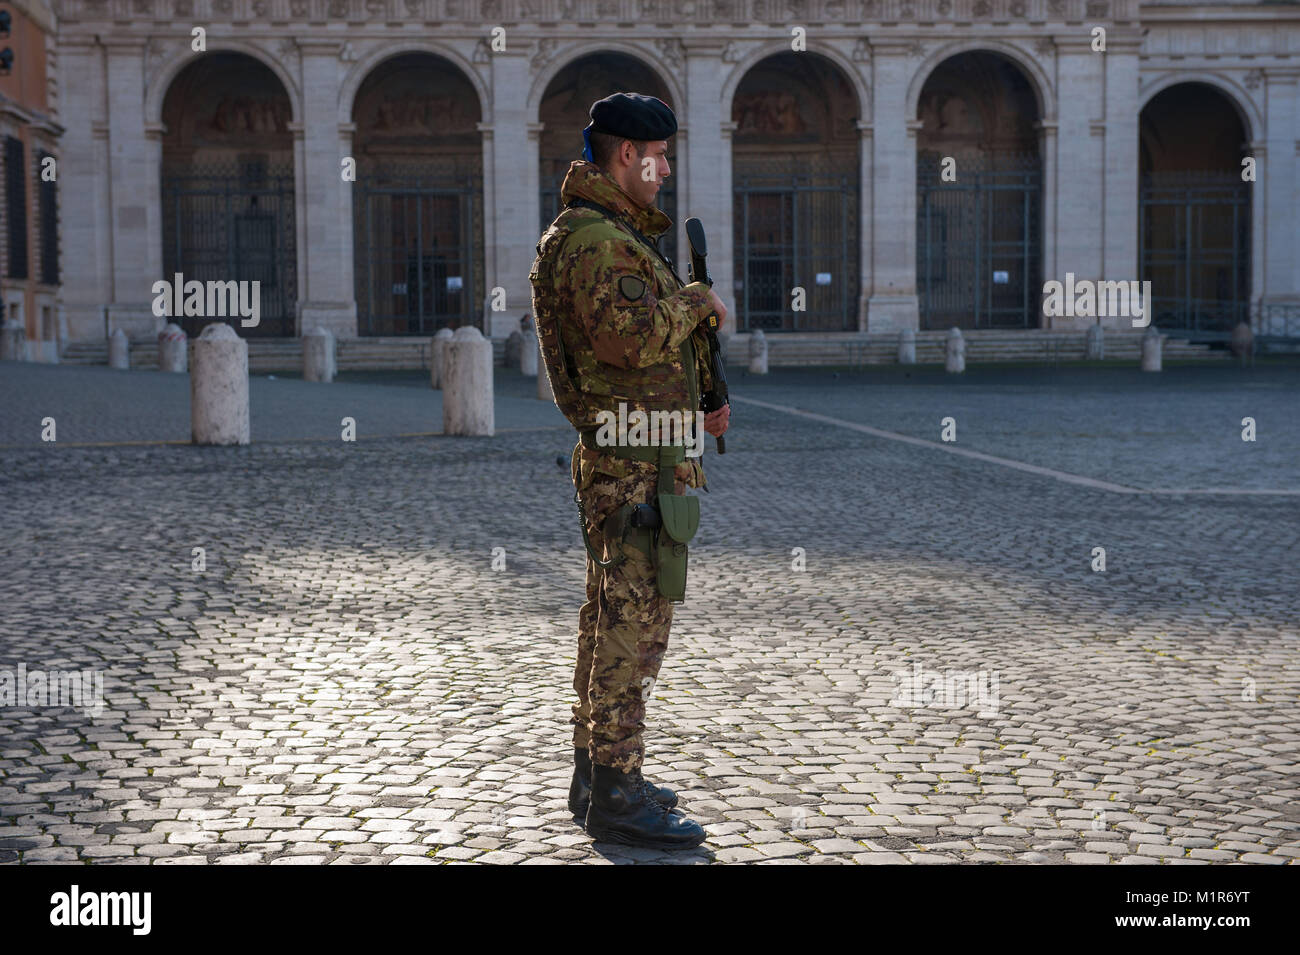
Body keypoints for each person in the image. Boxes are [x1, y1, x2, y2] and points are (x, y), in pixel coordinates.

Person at [529, 92, 730, 850]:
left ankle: (598, 774)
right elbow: (630, 335)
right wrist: (694, 302)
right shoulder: (592, 240)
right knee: (630, 631)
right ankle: (617, 790)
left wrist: (700, 398)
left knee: (611, 619)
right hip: (631, 465)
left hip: (642, 451)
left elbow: (648, 351)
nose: (667, 169)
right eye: (660, 157)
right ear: (626, 157)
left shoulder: (610, 232)